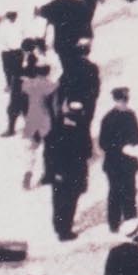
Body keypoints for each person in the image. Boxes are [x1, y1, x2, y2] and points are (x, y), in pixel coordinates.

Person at [98, 87, 138, 234]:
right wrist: (121, 147)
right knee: (116, 192)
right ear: (116, 100)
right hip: (114, 163)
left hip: (129, 162)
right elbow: (103, 143)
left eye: (125, 100)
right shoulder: (108, 119)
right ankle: (114, 223)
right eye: (121, 100)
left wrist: (136, 145)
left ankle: (131, 220)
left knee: (130, 190)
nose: (124, 103)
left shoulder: (131, 115)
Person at [45, 101, 92, 241]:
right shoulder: (82, 126)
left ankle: (58, 225)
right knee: (71, 201)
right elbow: (88, 151)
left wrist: (52, 171)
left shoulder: (57, 124)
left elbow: (49, 149)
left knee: (58, 199)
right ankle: (65, 230)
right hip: (76, 172)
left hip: (59, 171)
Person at [17, 54, 59, 188]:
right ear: (48, 71)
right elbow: (55, 107)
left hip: (32, 119)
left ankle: (28, 174)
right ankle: (48, 174)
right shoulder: (51, 86)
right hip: (46, 120)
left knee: (30, 149)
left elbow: (22, 102)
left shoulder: (27, 84)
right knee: (49, 149)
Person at [38, 0, 94, 65]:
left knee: (68, 69)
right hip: (77, 42)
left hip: (61, 44)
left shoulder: (54, 4)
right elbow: (87, 20)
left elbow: (42, 12)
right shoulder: (78, 4)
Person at [57, 37, 102, 134]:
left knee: (72, 124)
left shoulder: (70, 66)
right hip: (87, 102)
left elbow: (62, 84)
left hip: (73, 99)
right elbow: (96, 87)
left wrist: (61, 101)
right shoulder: (93, 68)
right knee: (85, 125)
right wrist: (92, 99)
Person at [0, 8, 27, 137]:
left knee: (16, 71)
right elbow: (2, 39)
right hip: (7, 51)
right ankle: (9, 82)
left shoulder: (20, 24)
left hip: (17, 51)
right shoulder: (3, 26)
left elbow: (23, 37)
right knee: (7, 69)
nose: (12, 17)